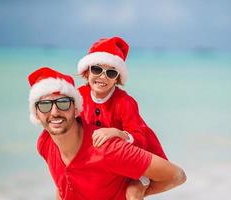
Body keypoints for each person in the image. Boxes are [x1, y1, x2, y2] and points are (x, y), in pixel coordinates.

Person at [28, 67, 186, 200]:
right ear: (36, 113)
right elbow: (62, 186)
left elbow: (176, 175)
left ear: (76, 109)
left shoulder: (107, 148)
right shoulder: (45, 143)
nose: (54, 112)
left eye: (63, 103)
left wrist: (131, 194)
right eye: (45, 105)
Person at [77, 37, 168, 198]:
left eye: (111, 72)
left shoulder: (124, 102)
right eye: (97, 70)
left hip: (138, 155)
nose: (102, 77)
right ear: (87, 70)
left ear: (117, 78)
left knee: (132, 194)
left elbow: (140, 139)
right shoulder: (79, 96)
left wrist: (117, 132)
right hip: (109, 162)